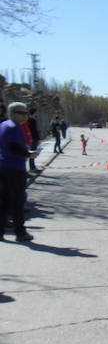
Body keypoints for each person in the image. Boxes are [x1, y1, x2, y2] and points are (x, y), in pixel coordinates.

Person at [0, 102, 39, 242]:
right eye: (21, 113)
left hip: (3, 166)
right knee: (17, 202)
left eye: (26, 113)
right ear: (12, 113)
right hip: (14, 168)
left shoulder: (3, 125)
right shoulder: (14, 128)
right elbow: (14, 148)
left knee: (4, 200)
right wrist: (29, 154)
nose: (25, 116)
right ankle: (20, 233)